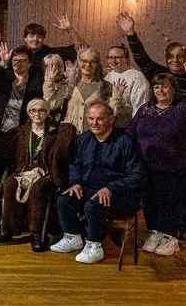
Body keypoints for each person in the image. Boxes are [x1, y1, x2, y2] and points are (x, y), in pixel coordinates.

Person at [117, 12, 186, 248]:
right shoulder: (158, 76)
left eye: (180, 56)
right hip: (155, 148)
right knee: (155, 192)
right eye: (171, 56)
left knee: (183, 190)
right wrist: (131, 33)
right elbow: (142, 58)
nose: (175, 60)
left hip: (182, 143)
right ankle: (159, 230)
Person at [130, 64, 186, 257]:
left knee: (171, 202)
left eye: (165, 86)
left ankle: (169, 237)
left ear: (174, 89)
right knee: (151, 201)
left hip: (177, 167)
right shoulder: (145, 109)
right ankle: (155, 232)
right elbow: (131, 133)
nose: (160, 90)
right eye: (156, 86)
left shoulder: (185, 108)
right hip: (149, 165)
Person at [52, 102, 145, 264]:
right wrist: (75, 182)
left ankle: (95, 246)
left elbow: (137, 176)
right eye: (91, 118)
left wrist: (111, 188)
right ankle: (73, 237)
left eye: (100, 119)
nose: (94, 123)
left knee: (93, 205)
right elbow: (75, 164)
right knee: (64, 200)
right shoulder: (84, 139)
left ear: (111, 119)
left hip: (121, 194)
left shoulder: (126, 142)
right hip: (90, 188)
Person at [0, 99, 76, 251]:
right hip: (23, 172)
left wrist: (67, 128)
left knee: (38, 187)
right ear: (28, 113)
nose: (37, 114)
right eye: (33, 110)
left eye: (41, 110)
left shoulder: (54, 133)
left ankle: (36, 233)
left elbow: (64, 152)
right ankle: (8, 228)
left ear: (47, 113)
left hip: (46, 174)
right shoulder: (20, 132)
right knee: (10, 183)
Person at [0, 44, 44, 192]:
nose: (19, 63)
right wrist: (3, 63)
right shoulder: (5, 78)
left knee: (17, 174)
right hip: (1, 132)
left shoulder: (36, 83)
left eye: (23, 60)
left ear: (30, 63)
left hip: (21, 135)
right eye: (15, 60)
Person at [45, 48, 131, 132]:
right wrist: (49, 82)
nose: (88, 65)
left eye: (92, 62)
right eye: (84, 61)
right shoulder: (70, 84)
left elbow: (111, 113)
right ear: (79, 62)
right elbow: (52, 104)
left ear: (98, 64)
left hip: (94, 136)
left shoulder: (106, 87)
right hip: (70, 135)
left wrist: (117, 96)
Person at [21, 16, 84, 82]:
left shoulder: (52, 53)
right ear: (25, 38)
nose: (35, 39)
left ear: (43, 39)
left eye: (40, 37)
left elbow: (82, 47)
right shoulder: (19, 55)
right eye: (31, 36)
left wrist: (70, 30)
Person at [103, 45, 149, 118]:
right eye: (110, 57)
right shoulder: (107, 76)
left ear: (126, 59)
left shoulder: (137, 77)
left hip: (127, 122)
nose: (113, 61)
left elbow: (139, 105)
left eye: (117, 57)